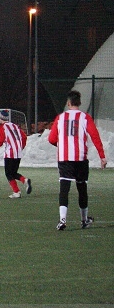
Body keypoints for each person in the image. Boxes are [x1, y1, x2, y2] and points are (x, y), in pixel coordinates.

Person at [47, 90, 107, 230]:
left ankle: (62, 220)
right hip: (80, 158)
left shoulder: (60, 118)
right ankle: (84, 220)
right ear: (79, 103)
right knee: (82, 189)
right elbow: (95, 137)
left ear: (68, 103)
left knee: (64, 188)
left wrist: (61, 145)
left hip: (64, 158)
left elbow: (51, 139)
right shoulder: (85, 117)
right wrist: (102, 156)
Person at [0, 109, 31, 198]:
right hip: (18, 153)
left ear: (0, 118)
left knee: (8, 174)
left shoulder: (2, 127)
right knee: (13, 173)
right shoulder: (15, 126)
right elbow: (24, 137)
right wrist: (21, 147)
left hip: (10, 153)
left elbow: (1, 140)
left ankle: (17, 192)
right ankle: (25, 180)